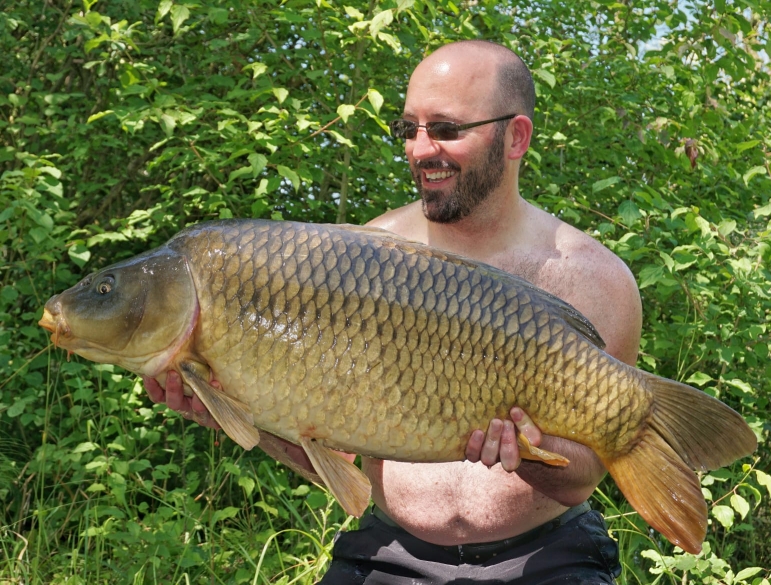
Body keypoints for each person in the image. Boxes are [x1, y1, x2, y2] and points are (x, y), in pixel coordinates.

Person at [144, 40, 642, 584]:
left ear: (515, 136)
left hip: (548, 557)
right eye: (409, 129)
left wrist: (528, 454)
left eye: (446, 129)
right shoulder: (356, 259)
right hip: (389, 551)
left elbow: (586, 477)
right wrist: (235, 412)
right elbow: (329, 453)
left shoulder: (594, 279)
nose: (420, 150)